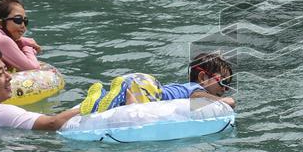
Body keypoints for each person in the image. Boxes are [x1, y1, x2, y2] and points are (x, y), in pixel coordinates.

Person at [80, 52, 236, 115]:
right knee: (133, 111)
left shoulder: (181, 87)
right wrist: (225, 101)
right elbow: (197, 96)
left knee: (111, 107)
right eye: (223, 82)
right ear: (202, 77)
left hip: (141, 82)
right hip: (148, 89)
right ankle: (120, 94)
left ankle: (98, 96)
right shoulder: (196, 88)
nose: (226, 88)